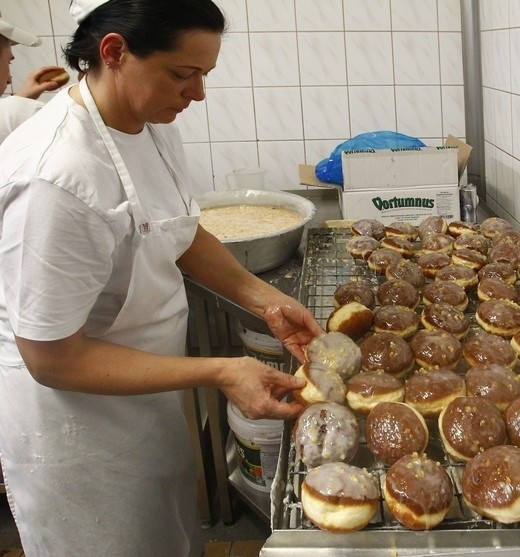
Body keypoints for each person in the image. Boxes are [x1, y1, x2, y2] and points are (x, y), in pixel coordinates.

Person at [0, 1, 323, 555]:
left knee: (165, 536)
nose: (197, 95)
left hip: (147, 395)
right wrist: (221, 369)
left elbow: (180, 231)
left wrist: (266, 300)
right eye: (183, 73)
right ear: (114, 51)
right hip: (80, 429)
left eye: (204, 75)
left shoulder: (147, 123)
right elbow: (51, 357)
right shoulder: (56, 179)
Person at [0, 10, 70, 142]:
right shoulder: (27, 113)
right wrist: (18, 105)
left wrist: (20, 98)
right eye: (8, 61)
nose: (9, 80)